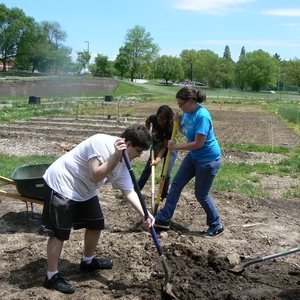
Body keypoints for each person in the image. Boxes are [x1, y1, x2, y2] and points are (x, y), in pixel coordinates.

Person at [38, 124, 154, 294]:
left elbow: (129, 191)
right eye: (138, 151)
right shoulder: (100, 143)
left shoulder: (125, 163)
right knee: (59, 232)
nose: (139, 155)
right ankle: (51, 276)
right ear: (127, 144)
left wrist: (146, 213)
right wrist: (116, 155)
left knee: (96, 223)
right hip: (63, 183)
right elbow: (96, 174)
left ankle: (88, 261)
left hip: (85, 189)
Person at [154, 86, 224, 238]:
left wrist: (175, 146)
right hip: (194, 156)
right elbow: (186, 131)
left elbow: (198, 143)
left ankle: (216, 225)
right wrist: (178, 123)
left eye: (181, 103)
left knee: (201, 195)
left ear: (191, 100)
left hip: (208, 160)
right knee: (177, 184)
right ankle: (165, 217)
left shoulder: (202, 116)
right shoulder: (187, 113)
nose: (179, 107)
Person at [138, 105, 178, 201]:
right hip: (156, 146)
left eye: (164, 119)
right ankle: (136, 190)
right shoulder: (153, 118)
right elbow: (147, 121)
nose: (161, 120)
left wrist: (158, 159)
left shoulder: (169, 128)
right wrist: (149, 132)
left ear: (168, 119)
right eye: (160, 118)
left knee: (166, 175)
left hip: (169, 150)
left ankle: (164, 195)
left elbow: (164, 147)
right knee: (148, 170)